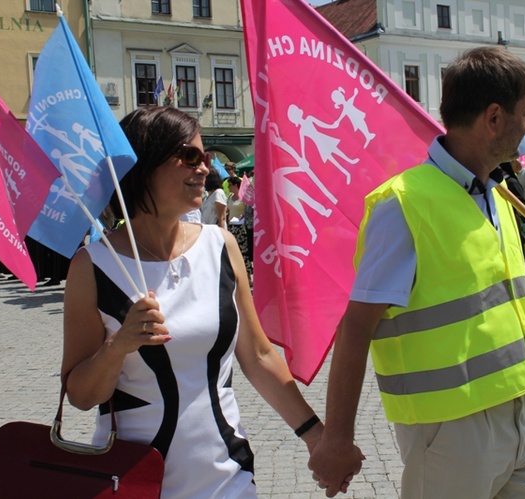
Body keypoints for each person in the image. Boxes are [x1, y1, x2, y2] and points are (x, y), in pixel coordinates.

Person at [307, 46, 525, 498]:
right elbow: (357, 325)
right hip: (450, 432)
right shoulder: (404, 203)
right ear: (494, 118)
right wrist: (337, 438)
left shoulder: (496, 194)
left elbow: (501, 294)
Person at [61, 107, 337, 498]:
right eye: (190, 156)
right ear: (144, 164)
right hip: (135, 483)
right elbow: (81, 394)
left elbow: (258, 357)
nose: (206, 168)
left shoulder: (219, 246)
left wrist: (317, 437)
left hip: (228, 478)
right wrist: (118, 346)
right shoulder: (93, 265)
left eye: (205, 157)